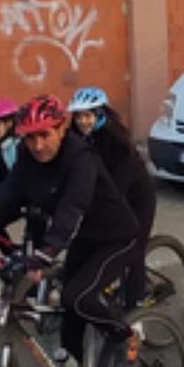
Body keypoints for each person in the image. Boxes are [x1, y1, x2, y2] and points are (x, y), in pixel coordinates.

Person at [0, 94, 141, 367]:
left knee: (77, 297)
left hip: (116, 237)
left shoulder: (80, 157)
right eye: (30, 137)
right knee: (70, 324)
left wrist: (47, 252)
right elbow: (6, 199)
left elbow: (74, 205)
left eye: (45, 135)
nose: (38, 145)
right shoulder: (27, 159)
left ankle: (124, 336)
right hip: (83, 239)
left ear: (61, 128)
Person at [67, 86, 157, 307]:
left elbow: (116, 190)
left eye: (87, 116)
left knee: (132, 251)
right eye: (78, 116)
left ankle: (137, 310)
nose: (82, 121)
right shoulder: (76, 138)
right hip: (109, 197)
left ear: (100, 115)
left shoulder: (117, 144)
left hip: (136, 199)